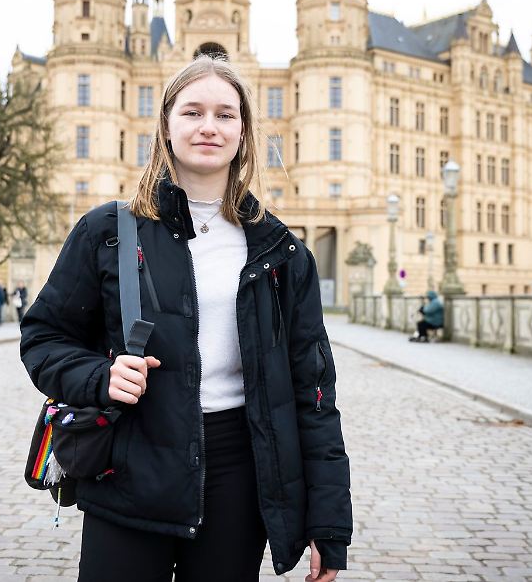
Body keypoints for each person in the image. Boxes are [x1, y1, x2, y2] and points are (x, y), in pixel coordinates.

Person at [21, 55, 351, 582]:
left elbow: (312, 393)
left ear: (243, 131)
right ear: (166, 125)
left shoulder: (281, 252)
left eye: (225, 114)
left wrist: (329, 521)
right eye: (192, 112)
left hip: (237, 476)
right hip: (131, 465)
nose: (208, 127)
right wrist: (100, 377)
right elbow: (44, 336)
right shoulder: (108, 231)